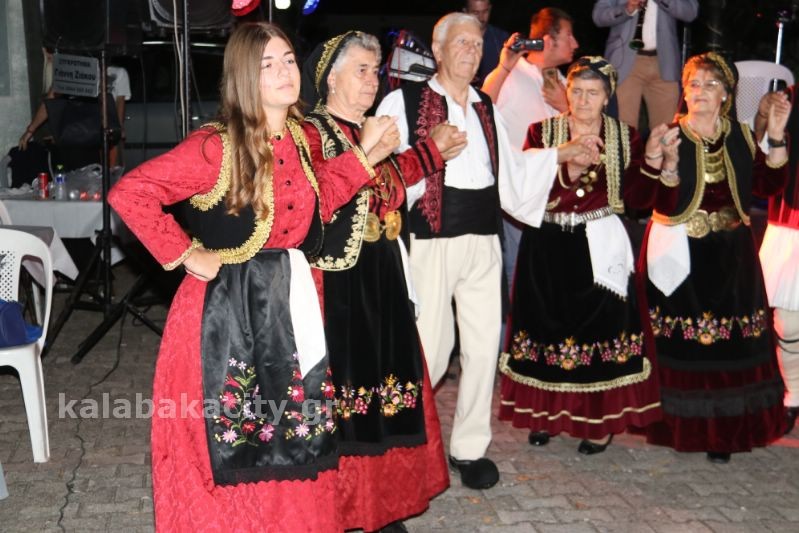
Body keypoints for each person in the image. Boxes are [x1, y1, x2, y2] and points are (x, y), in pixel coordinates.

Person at [108, 23, 397, 531]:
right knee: (236, 434)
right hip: (224, 314)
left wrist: (362, 159)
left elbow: (317, 201)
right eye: (268, 65)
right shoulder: (214, 146)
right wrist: (186, 252)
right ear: (245, 75)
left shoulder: (301, 139)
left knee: (295, 431)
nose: (284, 72)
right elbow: (131, 193)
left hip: (290, 303)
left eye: (288, 60)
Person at [376, 12, 600, 490]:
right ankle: (407, 444)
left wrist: (561, 153)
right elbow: (385, 171)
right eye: (461, 42)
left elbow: (511, 170)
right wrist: (428, 155)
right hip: (431, 239)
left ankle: (469, 448)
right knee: (431, 351)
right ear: (438, 50)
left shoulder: (485, 107)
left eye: (477, 44)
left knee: (482, 349)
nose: (470, 51)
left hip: (483, 238)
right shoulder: (404, 100)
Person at [301, 31, 467, 531]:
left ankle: (381, 506)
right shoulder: (310, 134)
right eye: (361, 70)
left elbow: (392, 185)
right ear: (331, 79)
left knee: (386, 387)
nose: (373, 81)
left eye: (375, 71)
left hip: (382, 274)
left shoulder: (368, 129)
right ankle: (340, 508)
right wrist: (375, 153)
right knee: (345, 394)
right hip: (336, 284)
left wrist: (432, 152)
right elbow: (317, 198)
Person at [498, 56, 667, 453]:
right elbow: (526, 186)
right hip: (547, 245)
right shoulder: (543, 132)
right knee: (547, 331)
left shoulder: (624, 137)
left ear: (607, 97)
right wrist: (567, 167)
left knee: (598, 333)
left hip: (599, 245)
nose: (584, 100)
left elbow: (638, 199)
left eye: (593, 93)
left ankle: (597, 421)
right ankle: (545, 415)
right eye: (577, 91)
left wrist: (652, 161)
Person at [638, 52, 790, 463]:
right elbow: (651, 198)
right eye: (693, 84)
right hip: (679, 251)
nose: (700, 92)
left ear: (726, 94)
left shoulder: (740, 134)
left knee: (730, 346)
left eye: (710, 85)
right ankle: (677, 425)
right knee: (683, 343)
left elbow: (768, 184)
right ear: (684, 92)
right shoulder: (669, 135)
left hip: (731, 256)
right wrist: (665, 166)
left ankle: (724, 433)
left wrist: (776, 136)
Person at [481, 7, 578, 341]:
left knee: (545, 269)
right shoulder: (513, 74)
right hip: (516, 193)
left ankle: (539, 340)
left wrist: (566, 106)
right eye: (569, 36)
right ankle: (510, 345)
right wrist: (504, 66)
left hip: (553, 195)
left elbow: (581, 133)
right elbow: (480, 106)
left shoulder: (561, 82)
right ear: (548, 40)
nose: (576, 44)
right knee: (516, 270)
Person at [755, 85, 799, 435]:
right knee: (788, 321)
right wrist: (762, 115)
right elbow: (761, 148)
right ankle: (793, 395)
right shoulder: (790, 97)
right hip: (792, 218)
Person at [592, 0, 699, 131]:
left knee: (666, 131)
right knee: (624, 130)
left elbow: (690, 12)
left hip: (665, 62)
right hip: (625, 63)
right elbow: (598, 16)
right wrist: (627, 9)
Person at [18, 48, 131, 167]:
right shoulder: (73, 69)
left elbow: (120, 104)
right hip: (79, 134)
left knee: (110, 171)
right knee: (84, 172)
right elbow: (50, 100)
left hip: (106, 132)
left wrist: (119, 129)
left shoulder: (118, 73)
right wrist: (30, 130)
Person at [464, 0, 509, 86]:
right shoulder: (456, 39)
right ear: (466, 12)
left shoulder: (501, 38)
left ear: (490, 9)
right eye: (476, 13)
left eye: (485, 11)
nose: (481, 18)